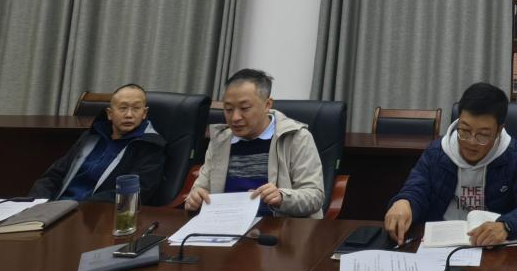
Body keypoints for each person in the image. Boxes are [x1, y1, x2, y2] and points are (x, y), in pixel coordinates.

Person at [383, 82, 517, 247]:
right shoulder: (437, 152)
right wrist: (404, 202)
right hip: (440, 243)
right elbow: (415, 189)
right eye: (464, 130)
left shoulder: (516, 156)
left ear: (498, 130)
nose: (471, 142)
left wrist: (506, 226)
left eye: (483, 135)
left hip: (491, 245)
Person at [184, 68, 325, 219]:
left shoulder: (296, 137)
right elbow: (200, 190)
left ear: (267, 105)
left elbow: (315, 196)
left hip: (279, 227)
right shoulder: (220, 140)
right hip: (225, 225)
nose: (235, 117)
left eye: (244, 108)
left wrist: (282, 197)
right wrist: (194, 200)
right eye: (228, 109)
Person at [31, 83, 165, 202]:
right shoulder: (92, 136)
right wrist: (37, 202)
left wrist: (84, 207)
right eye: (123, 108)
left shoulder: (151, 146)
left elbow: (137, 191)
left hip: (97, 213)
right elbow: (54, 175)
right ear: (110, 113)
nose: (129, 115)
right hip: (57, 207)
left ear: (144, 113)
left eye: (136, 108)